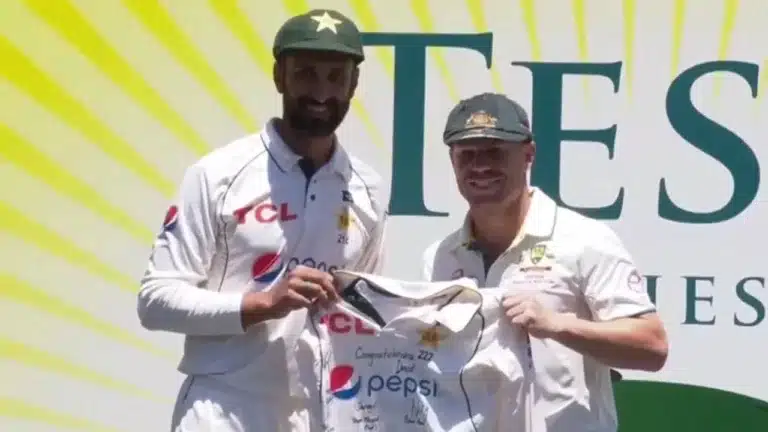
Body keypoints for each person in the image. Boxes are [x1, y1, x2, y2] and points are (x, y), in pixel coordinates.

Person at [137, 9, 388, 432]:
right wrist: (262, 304)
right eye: (306, 73)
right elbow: (155, 300)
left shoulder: (368, 186)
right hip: (223, 407)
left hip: (322, 413)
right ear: (279, 77)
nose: (321, 91)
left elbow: (366, 313)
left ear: (353, 85)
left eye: (334, 77)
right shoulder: (217, 173)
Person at [422, 92, 668, 432]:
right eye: (467, 155)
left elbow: (652, 347)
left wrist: (556, 325)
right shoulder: (439, 258)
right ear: (452, 161)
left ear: (528, 155)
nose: (479, 166)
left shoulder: (584, 239)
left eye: (495, 152)